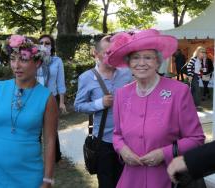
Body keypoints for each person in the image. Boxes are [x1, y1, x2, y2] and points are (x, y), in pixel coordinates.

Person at [104, 29, 205, 188]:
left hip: (167, 178)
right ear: (129, 63)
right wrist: (122, 150)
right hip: (131, 179)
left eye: (148, 57)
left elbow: (196, 138)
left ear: (158, 62)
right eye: (136, 58)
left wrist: (164, 153)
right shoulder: (122, 94)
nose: (141, 63)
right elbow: (117, 135)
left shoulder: (178, 91)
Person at [0, 35, 58, 187]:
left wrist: (48, 179)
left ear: (37, 62)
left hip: (29, 176)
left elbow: (50, 141)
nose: (16, 65)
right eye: (13, 59)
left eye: (23, 59)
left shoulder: (47, 98)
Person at [74, 35, 132, 188]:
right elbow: (78, 106)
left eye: (114, 52)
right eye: (107, 53)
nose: (112, 56)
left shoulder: (127, 73)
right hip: (103, 142)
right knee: (106, 183)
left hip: (128, 140)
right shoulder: (86, 78)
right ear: (96, 53)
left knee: (126, 182)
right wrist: (100, 103)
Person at [36, 34, 66, 164]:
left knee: (51, 128)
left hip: (51, 98)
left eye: (47, 43)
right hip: (35, 98)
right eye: (41, 42)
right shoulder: (34, 60)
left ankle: (55, 156)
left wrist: (62, 102)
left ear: (52, 45)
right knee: (35, 128)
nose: (44, 45)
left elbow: (60, 82)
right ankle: (35, 155)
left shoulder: (57, 61)